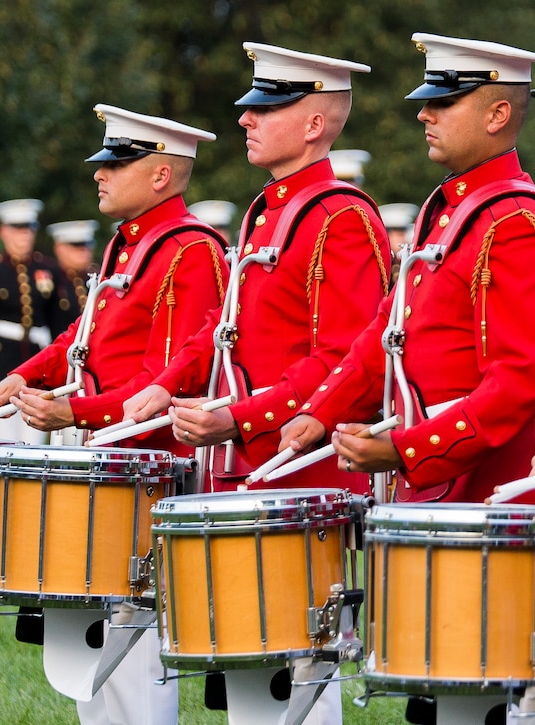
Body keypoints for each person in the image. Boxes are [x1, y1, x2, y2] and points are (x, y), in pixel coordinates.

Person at [121, 43, 392, 725]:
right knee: (253, 666)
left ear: (312, 124)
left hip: (300, 466)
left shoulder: (339, 215)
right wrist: (170, 385)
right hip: (251, 464)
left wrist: (238, 417)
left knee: (295, 669)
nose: (246, 120)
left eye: (266, 108)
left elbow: (340, 358)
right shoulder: (267, 210)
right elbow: (228, 324)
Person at [0, 103, 229, 725]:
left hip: (148, 465)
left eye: (116, 163)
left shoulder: (189, 249)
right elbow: (87, 330)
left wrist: (75, 408)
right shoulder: (133, 244)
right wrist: (30, 372)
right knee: (92, 648)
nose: (99, 174)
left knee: (132, 642)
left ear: (159, 176)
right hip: (109, 458)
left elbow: (169, 377)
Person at [280, 33, 535, 506]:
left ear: (497, 115)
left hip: (485, 501)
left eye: (444, 101)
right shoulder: (452, 210)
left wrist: (406, 449)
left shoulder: (514, 220)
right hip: (438, 493)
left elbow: (519, 378)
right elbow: (389, 331)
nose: (423, 114)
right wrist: (320, 411)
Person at [0, 198, 58, 443]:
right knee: (2, 441)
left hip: (37, 362)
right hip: (0, 363)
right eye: (17, 229)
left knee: (33, 443)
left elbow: (57, 320)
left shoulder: (47, 269)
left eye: (28, 228)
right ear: (4, 232)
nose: (24, 235)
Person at [46, 219, 98, 338]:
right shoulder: (53, 279)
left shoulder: (97, 279)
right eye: (76, 246)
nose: (84, 251)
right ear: (59, 249)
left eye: (87, 245)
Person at [378, 201, 419, 284]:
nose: (402, 239)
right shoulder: (380, 262)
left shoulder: (408, 259)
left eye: (403, 234)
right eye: (398, 235)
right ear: (387, 235)